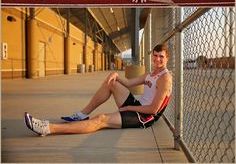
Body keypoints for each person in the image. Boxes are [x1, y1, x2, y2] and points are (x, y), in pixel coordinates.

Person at [24, 44, 172, 136]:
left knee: (101, 119)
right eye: (155, 56)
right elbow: (128, 82)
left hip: (144, 117)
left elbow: (153, 110)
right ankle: (82, 114)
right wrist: (116, 75)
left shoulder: (165, 78)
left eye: (161, 57)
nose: (158, 59)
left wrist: (128, 107)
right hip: (138, 106)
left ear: (167, 59)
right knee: (112, 83)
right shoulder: (151, 74)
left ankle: (48, 128)